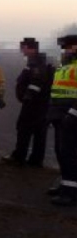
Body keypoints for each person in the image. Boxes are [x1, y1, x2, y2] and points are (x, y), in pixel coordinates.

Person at [2, 38, 55, 167]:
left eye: (23, 48)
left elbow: (37, 82)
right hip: (43, 104)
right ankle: (36, 160)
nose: (22, 51)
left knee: (24, 128)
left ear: (30, 48)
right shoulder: (41, 61)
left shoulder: (37, 63)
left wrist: (27, 97)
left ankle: (19, 157)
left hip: (34, 104)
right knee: (39, 132)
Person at [46, 35, 77, 206]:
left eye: (68, 47)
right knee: (61, 152)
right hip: (60, 116)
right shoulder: (64, 66)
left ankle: (71, 193)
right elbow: (56, 91)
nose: (65, 50)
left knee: (70, 154)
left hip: (72, 117)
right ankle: (65, 185)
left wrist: (73, 113)